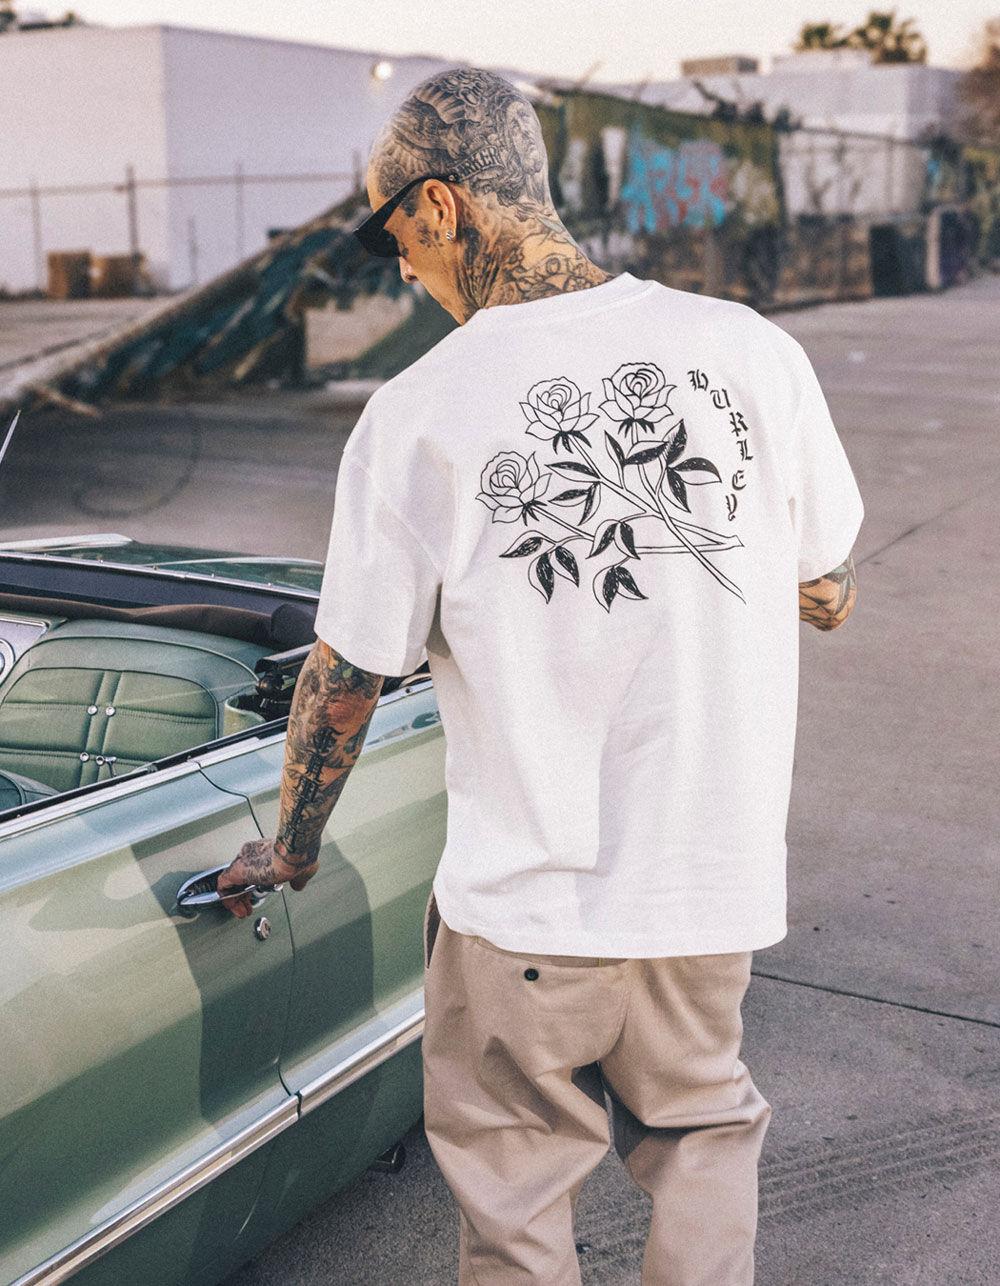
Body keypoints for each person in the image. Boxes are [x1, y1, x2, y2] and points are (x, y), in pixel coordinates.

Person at [217, 66, 864, 1285]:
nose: (402, 267)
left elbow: (347, 674)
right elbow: (827, 589)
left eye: (393, 235)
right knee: (704, 1138)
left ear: (441, 205)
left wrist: (293, 847)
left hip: (524, 912)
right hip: (705, 893)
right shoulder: (748, 350)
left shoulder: (418, 412)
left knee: (513, 1192)